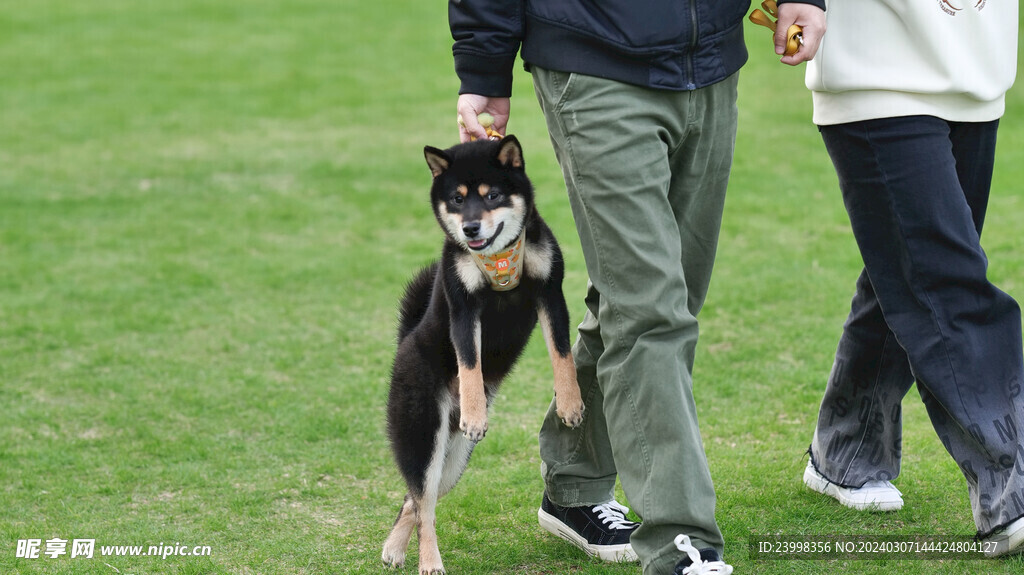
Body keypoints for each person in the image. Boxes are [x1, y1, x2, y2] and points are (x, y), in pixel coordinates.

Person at [447, 1, 826, 573]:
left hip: (714, 61)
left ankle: (573, 484)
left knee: (658, 296)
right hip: (595, 60)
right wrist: (483, 67)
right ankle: (682, 541)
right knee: (651, 312)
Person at [800, 0, 1024, 558]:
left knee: (905, 274)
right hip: (875, 71)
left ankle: (847, 452)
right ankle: (1013, 489)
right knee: (948, 286)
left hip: (976, 68)